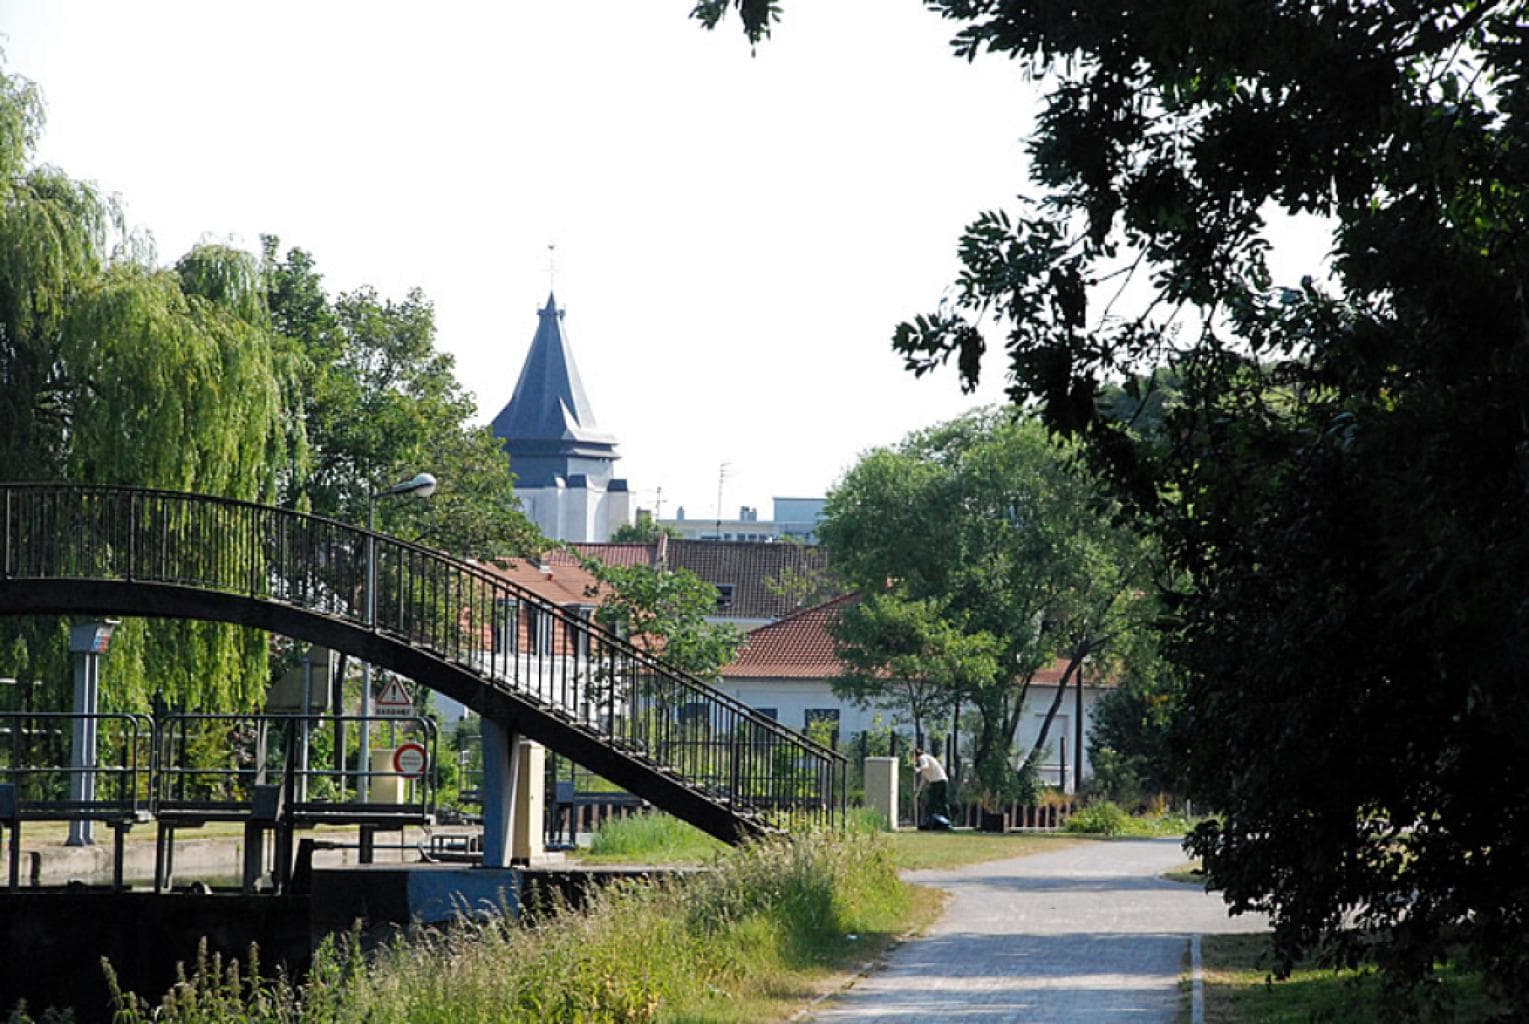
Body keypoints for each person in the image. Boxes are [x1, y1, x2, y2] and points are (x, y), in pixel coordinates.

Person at [913, 745, 949, 822]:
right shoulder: (927, 759)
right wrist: (918, 792)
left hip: (936, 781)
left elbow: (926, 766)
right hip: (943, 780)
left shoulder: (923, 757)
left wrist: (918, 769)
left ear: (916, 756)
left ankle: (932, 821)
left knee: (932, 803)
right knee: (943, 803)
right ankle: (947, 821)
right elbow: (923, 780)